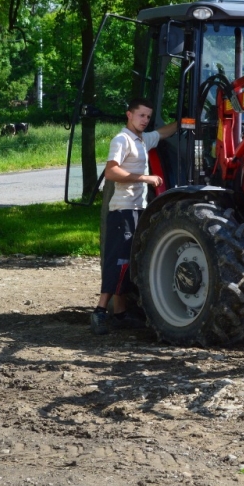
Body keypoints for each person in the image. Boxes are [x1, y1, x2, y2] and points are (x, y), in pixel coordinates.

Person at [91, 98, 178, 335]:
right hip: (122, 209)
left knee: (129, 261)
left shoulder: (142, 139)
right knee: (118, 261)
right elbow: (111, 171)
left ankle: (119, 314)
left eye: (148, 117)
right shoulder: (122, 139)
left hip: (137, 208)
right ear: (129, 114)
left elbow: (163, 132)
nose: (145, 120)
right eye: (141, 116)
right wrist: (144, 178)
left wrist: (186, 120)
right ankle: (99, 311)